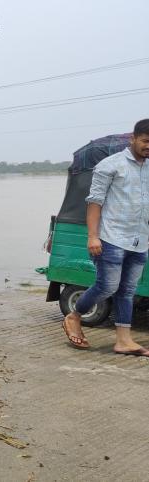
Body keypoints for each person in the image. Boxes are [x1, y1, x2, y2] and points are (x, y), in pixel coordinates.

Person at [62, 119, 149, 356]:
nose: (148, 147)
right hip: (111, 237)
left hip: (140, 239)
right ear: (133, 138)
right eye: (145, 141)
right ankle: (74, 316)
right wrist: (93, 237)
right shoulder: (110, 165)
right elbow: (94, 202)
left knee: (127, 291)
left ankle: (123, 341)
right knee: (108, 286)